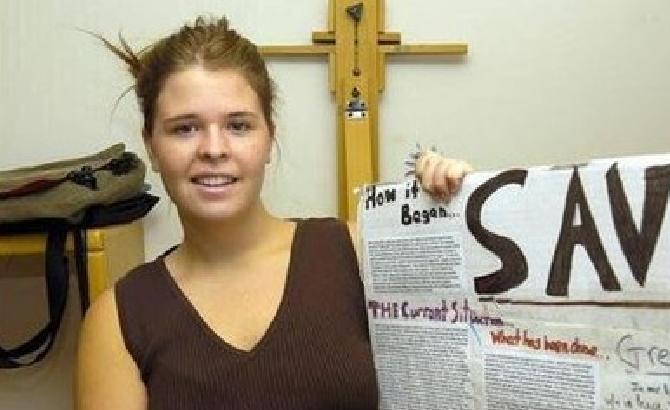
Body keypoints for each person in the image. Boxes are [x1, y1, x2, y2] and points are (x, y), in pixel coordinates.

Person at [75, 16, 472, 410]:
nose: (214, 149)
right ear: (151, 146)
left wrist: (462, 209)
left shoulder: (356, 253)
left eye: (238, 125)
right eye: (185, 129)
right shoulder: (119, 320)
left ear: (269, 137)